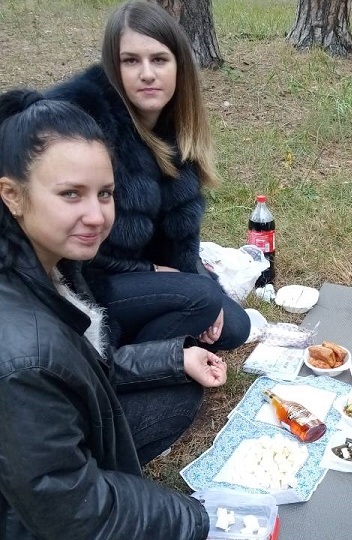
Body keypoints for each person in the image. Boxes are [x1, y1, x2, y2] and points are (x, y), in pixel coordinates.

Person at [0, 89, 227, 538]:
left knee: (181, 390)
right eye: (71, 194)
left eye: (104, 193)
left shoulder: (53, 261)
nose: (96, 216)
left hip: (53, 444)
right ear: (12, 195)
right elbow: (74, 513)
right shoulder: (22, 356)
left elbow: (81, 366)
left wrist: (172, 357)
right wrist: (197, 518)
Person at [45, 0, 250, 351]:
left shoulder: (177, 126)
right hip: (86, 282)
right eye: (131, 61)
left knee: (233, 326)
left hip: (139, 274)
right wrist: (156, 274)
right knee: (201, 300)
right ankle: (121, 364)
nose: (147, 74)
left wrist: (195, 281)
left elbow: (180, 239)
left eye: (159, 59)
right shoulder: (85, 124)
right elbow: (70, 244)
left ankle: (161, 337)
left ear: (179, 66)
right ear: (113, 67)